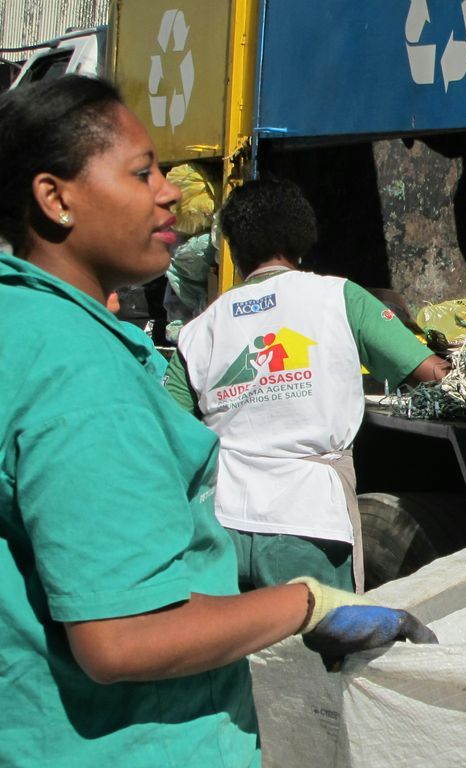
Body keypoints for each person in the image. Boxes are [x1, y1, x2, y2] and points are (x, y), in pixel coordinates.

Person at [0, 76, 436, 766]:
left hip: (224, 526)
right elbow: (122, 635)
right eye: (143, 172)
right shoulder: (81, 370)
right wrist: (307, 604)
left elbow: (176, 423)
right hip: (143, 740)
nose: (169, 191)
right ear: (55, 199)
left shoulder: (44, 327)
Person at [164, 177, 451, 593]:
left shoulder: (201, 327)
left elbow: (166, 427)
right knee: (310, 658)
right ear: (301, 239)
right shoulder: (339, 298)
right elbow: (432, 375)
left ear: (234, 247)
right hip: (306, 523)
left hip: (219, 528)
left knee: (236, 657)